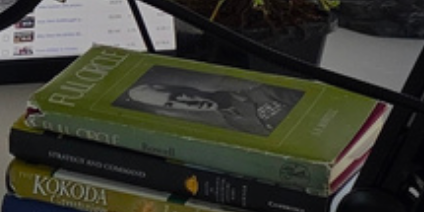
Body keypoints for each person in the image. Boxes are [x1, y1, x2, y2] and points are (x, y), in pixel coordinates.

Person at [121, 78, 299, 136]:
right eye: (171, 104)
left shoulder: (257, 90)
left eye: (177, 95)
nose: (187, 103)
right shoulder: (233, 124)